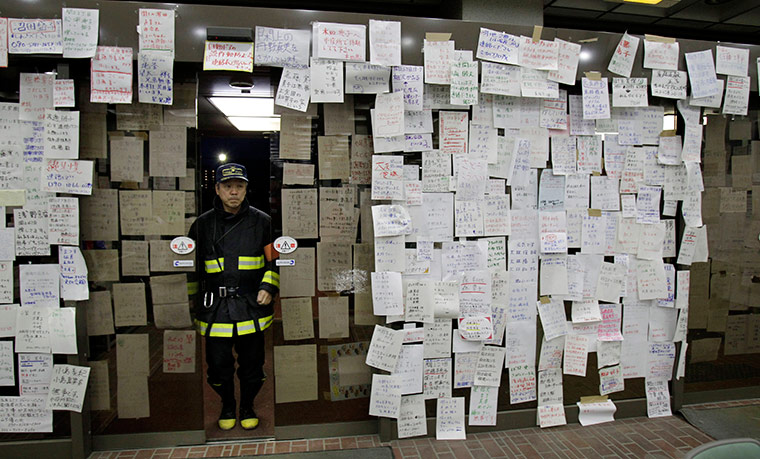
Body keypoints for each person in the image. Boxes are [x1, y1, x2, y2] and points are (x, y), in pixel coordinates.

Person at [188, 163, 279, 431]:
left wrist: (268, 287)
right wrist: (191, 305)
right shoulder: (202, 225)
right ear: (217, 189)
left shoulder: (263, 222)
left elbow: (274, 261)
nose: (234, 192)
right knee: (217, 366)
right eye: (227, 186)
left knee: (253, 365)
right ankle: (227, 404)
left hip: (251, 305)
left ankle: (247, 405)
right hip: (215, 308)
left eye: (239, 186)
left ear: (246, 188)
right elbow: (191, 269)